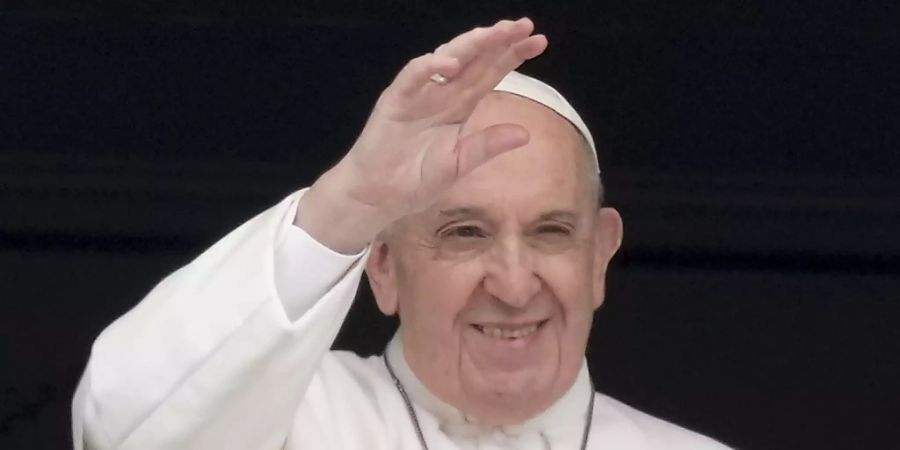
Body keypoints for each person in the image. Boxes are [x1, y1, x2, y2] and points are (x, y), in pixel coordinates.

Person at [72, 18, 730, 449]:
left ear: (599, 257)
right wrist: (352, 196)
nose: (511, 282)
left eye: (551, 231)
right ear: (381, 264)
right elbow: (126, 423)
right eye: (465, 233)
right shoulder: (294, 422)